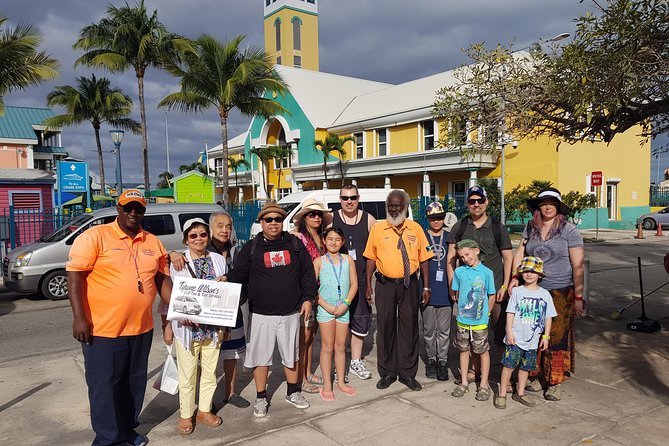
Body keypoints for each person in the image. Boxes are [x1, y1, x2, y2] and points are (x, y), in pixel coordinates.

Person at [66, 189, 173, 446]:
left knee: (133, 384)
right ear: (118, 209)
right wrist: (79, 318)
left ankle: (126, 430)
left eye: (139, 209)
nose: (133, 213)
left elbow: (162, 279)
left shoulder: (152, 241)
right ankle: (108, 440)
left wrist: (187, 305)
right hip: (102, 330)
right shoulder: (95, 236)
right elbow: (75, 276)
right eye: (128, 208)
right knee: (105, 387)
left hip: (140, 328)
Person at [225, 201, 318, 418]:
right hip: (261, 314)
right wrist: (225, 280)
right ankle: (261, 396)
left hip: (291, 311)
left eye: (278, 219)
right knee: (261, 357)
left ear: (282, 222)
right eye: (269, 219)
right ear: (261, 222)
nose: (274, 223)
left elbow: (307, 273)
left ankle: (293, 392)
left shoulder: (294, 244)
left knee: (291, 356)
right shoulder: (252, 247)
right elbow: (239, 275)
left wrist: (307, 298)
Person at [508, 187, 585, 401]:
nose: (548, 207)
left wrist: (578, 297)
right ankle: (533, 375)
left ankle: (555, 381)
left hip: (560, 291)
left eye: (552, 203)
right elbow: (520, 254)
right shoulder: (531, 228)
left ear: (558, 207)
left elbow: (578, 266)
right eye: (543, 203)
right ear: (538, 207)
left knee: (556, 338)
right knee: (532, 334)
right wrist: (515, 277)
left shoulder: (569, 230)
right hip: (533, 290)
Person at [169, 211, 249, 409]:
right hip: (190, 327)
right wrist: (171, 254)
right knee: (190, 370)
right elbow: (174, 291)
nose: (199, 239)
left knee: (218, 365)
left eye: (228, 226)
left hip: (219, 322)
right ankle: (190, 411)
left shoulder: (227, 255)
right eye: (193, 235)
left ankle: (215, 403)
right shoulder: (183, 259)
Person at [160, 218, 226, 435]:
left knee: (209, 372)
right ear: (186, 240)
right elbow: (168, 297)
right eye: (193, 235)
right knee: (187, 374)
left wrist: (223, 326)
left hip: (212, 327)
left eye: (203, 234)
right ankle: (186, 414)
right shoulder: (178, 262)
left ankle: (204, 410)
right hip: (186, 329)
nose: (199, 239)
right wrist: (168, 325)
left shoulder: (218, 260)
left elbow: (225, 297)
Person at [363, 189, 433, 392]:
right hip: (384, 285)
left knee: (409, 328)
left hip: (409, 285)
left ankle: (407, 373)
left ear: (405, 207)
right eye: (390, 205)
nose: (393, 209)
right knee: (385, 327)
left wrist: (426, 286)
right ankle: (387, 372)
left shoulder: (415, 228)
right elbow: (370, 258)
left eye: (397, 205)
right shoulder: (378, 229)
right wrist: (368, 285)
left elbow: (425, 259)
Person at [446, 185, 512, 383]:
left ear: (487, 202)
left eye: (480, 200)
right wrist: (453, 285)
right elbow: (450, 258)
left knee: (501, 335)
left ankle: (505, 378)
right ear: (467, 204)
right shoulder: (460, 226)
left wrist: (504, 286)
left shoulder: (496, 227)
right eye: (472, 201)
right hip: (468, 295)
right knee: (471, 335)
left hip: (494, 292)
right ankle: (474, 372)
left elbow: (508, 258)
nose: (476, 204)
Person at [495, 256, 556, 409]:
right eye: (526, 271)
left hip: (533, 341)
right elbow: (510, 313)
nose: (529, 274)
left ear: (540, 275)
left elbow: (548, 317)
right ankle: (502, 393)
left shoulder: (545, 295)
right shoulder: (517, 292)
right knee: (508, 366)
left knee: (525, 368)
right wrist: (509, 332)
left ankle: (520, 392)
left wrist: (546, 336)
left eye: (533, 271)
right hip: (515, 338)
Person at [330, 184, 376, 381]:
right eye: (345, 197)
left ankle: (356, 361)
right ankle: (337, 365)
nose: (349, 201)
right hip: (336, 281)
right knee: (336, 324)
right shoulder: (330, 218)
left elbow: (377, 249)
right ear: (339, 199)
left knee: (360, 322)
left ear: (358, 198)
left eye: (353, 197)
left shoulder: (369, 220)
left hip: (361, 281)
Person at [290, 198, 330, 394]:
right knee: (303, 339)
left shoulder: (322, 238)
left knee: (311, 336)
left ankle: (307, 372)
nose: (316, 217)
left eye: (318, 214)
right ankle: (301, 379)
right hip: (305, 294)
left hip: (319, 295)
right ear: (304, 218)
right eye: (311, 214)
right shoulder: (297, 237)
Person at [313, 227, 358, 400]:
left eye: (337, 239)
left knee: (340, 347)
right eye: (330, 239)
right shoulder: (319, 261)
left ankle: (341, 382)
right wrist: (325, 305)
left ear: (343, 242)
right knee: (327, 346)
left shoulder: (348, 260)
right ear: (324, 241)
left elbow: (354, 284)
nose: (333, 242)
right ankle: (327, 384)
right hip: (326, 310)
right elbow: (312, 288)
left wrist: (346, 303)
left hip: (343, 308)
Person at [450, 239, 496, 402]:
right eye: (461, 256)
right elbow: (455, 293)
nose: (465, 259)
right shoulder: (459, 272)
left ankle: (483, 385)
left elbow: (492, 295)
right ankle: (463, 382)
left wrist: (487, 314)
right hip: (462, 321)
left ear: (477, 251)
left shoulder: (487, 273)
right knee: (463, 351)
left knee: (482, 351)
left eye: (467, 254)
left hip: (480, 322)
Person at [421, 202, 452, 381]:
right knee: (429, 329)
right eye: (433, 218)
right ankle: (431, 360)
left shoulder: (449, 237)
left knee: (444, 331)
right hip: (426, 289)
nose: (437, 221)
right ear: (428, 219)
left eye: (440, 217)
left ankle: (442, 361)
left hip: (444, 291)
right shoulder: (423, 237)